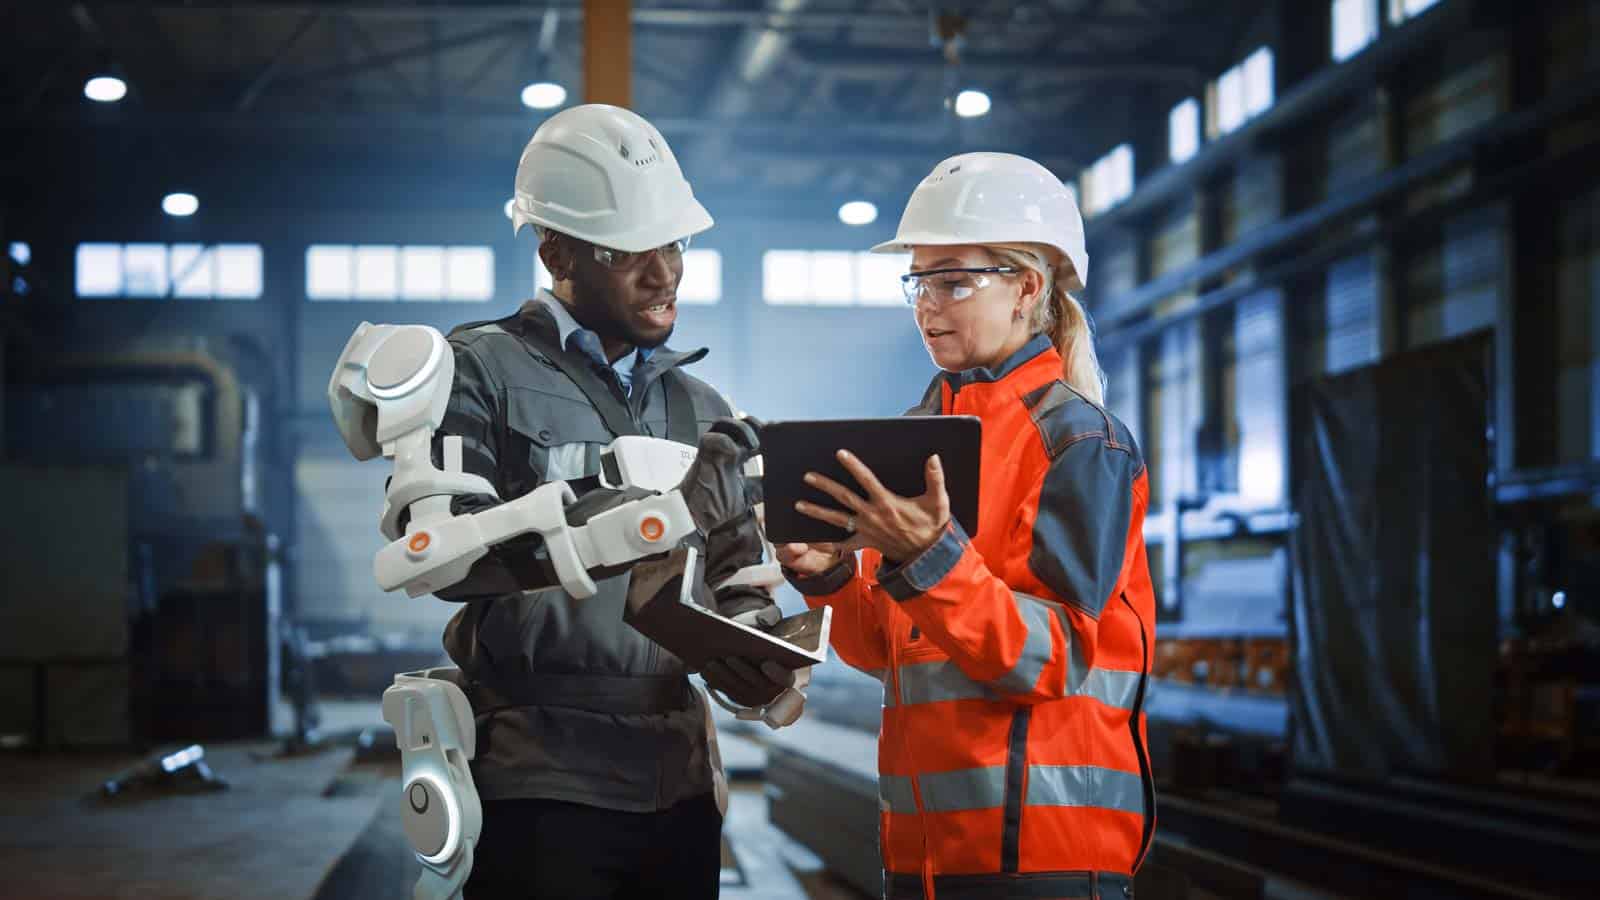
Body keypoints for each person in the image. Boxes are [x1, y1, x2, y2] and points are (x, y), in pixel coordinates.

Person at [428, 104, 799, 899]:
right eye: (627, 250)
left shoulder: (701, 405)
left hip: (680, 785)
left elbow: (736, 583)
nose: (664, 272)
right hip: (543, 782)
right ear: (555, 249)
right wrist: (626, 513)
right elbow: (446, 559)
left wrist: (768, 654)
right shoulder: (476, 370)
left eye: (674, 243)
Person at [776, 152, 1158, 900]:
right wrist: (824, 575)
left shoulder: (1079, 444)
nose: (927, 305)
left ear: (1026, 287)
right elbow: (885, 651)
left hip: (1043, 852)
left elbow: (1050, 659)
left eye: (954, 280)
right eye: (917, 281)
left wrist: (926, 556)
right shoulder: (919, 441)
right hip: (926, 853)